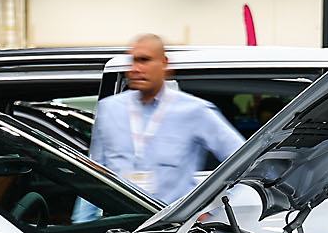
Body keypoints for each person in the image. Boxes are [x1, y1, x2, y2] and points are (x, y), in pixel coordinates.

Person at [85, 34, 244, 206]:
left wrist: (211, 206)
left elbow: (243, 160)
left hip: (172, 226)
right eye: (133, 61)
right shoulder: (109, 109)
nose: (136, 68)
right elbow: (94, 174)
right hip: (119, 223)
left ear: (164, 63)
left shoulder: (194, 111)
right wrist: (83, 223)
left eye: (144, 60)